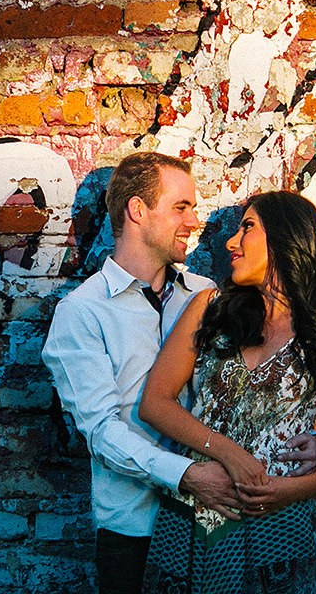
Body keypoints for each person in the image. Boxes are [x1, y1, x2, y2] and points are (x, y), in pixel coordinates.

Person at [136, 191, 316, 594]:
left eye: (247, 228)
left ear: (285, 238)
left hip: (276, 525)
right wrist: (228, 452)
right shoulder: (210, 308)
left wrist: (285, 491)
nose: (230, 243)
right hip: (193, 515)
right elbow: (155, 403)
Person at [42, 152, 243, 594]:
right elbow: (101, 433)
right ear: (137, 210)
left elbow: (255, 382)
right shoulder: (82, 313)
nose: (194, 221)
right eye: (181, 207)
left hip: (216, 525)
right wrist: (187, 476)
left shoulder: (205, 295)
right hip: (136, 532)